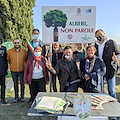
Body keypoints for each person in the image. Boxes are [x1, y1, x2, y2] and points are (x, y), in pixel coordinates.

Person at [95, 29, 120, 98]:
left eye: (101, 34)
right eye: (97, 35)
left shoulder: (111, 42)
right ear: (95, 36)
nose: (99, 36)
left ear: (104, 34)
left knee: (111, 90)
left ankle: (114, 105)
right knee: (100, 89)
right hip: (100, 70)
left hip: (110, 68)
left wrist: (116, 58)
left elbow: (118, 53)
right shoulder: (95, 44)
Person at [27, 28, 46, 102]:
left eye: (37, 34)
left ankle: (41, 99)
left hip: (40, 64)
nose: (36, 35)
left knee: (41, 85)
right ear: (32, 34)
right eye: (34, 34)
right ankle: (32, 98)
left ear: (39, 34)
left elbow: (43, 53)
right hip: (32, 64)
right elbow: (28, 54)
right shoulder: (29, 44)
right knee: (32, 84)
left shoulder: (43, 43)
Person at [7, 38, 28, 102]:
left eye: (18, 42)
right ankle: (16, 97)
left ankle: (22, 96)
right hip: (13, 70)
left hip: (22, 70)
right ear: (13, 43)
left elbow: (26, 60)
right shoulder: (10, 51)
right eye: (15, 43)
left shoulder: (24, 51)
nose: (16, 44)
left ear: (20, 43)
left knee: (22, 84)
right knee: (15, 84)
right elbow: (9, 60)